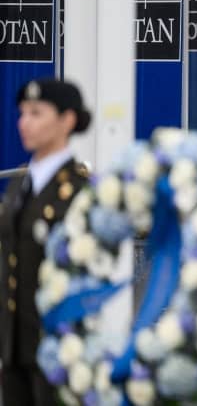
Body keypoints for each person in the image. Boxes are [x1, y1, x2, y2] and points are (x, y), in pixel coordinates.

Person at [0, 79, 91, 406]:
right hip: (14, 348)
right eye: (23, 113)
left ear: (67, 120)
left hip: (57, 348)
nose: (24, 122)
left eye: (37, 113)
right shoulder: (21, 185)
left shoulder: (77, 190)